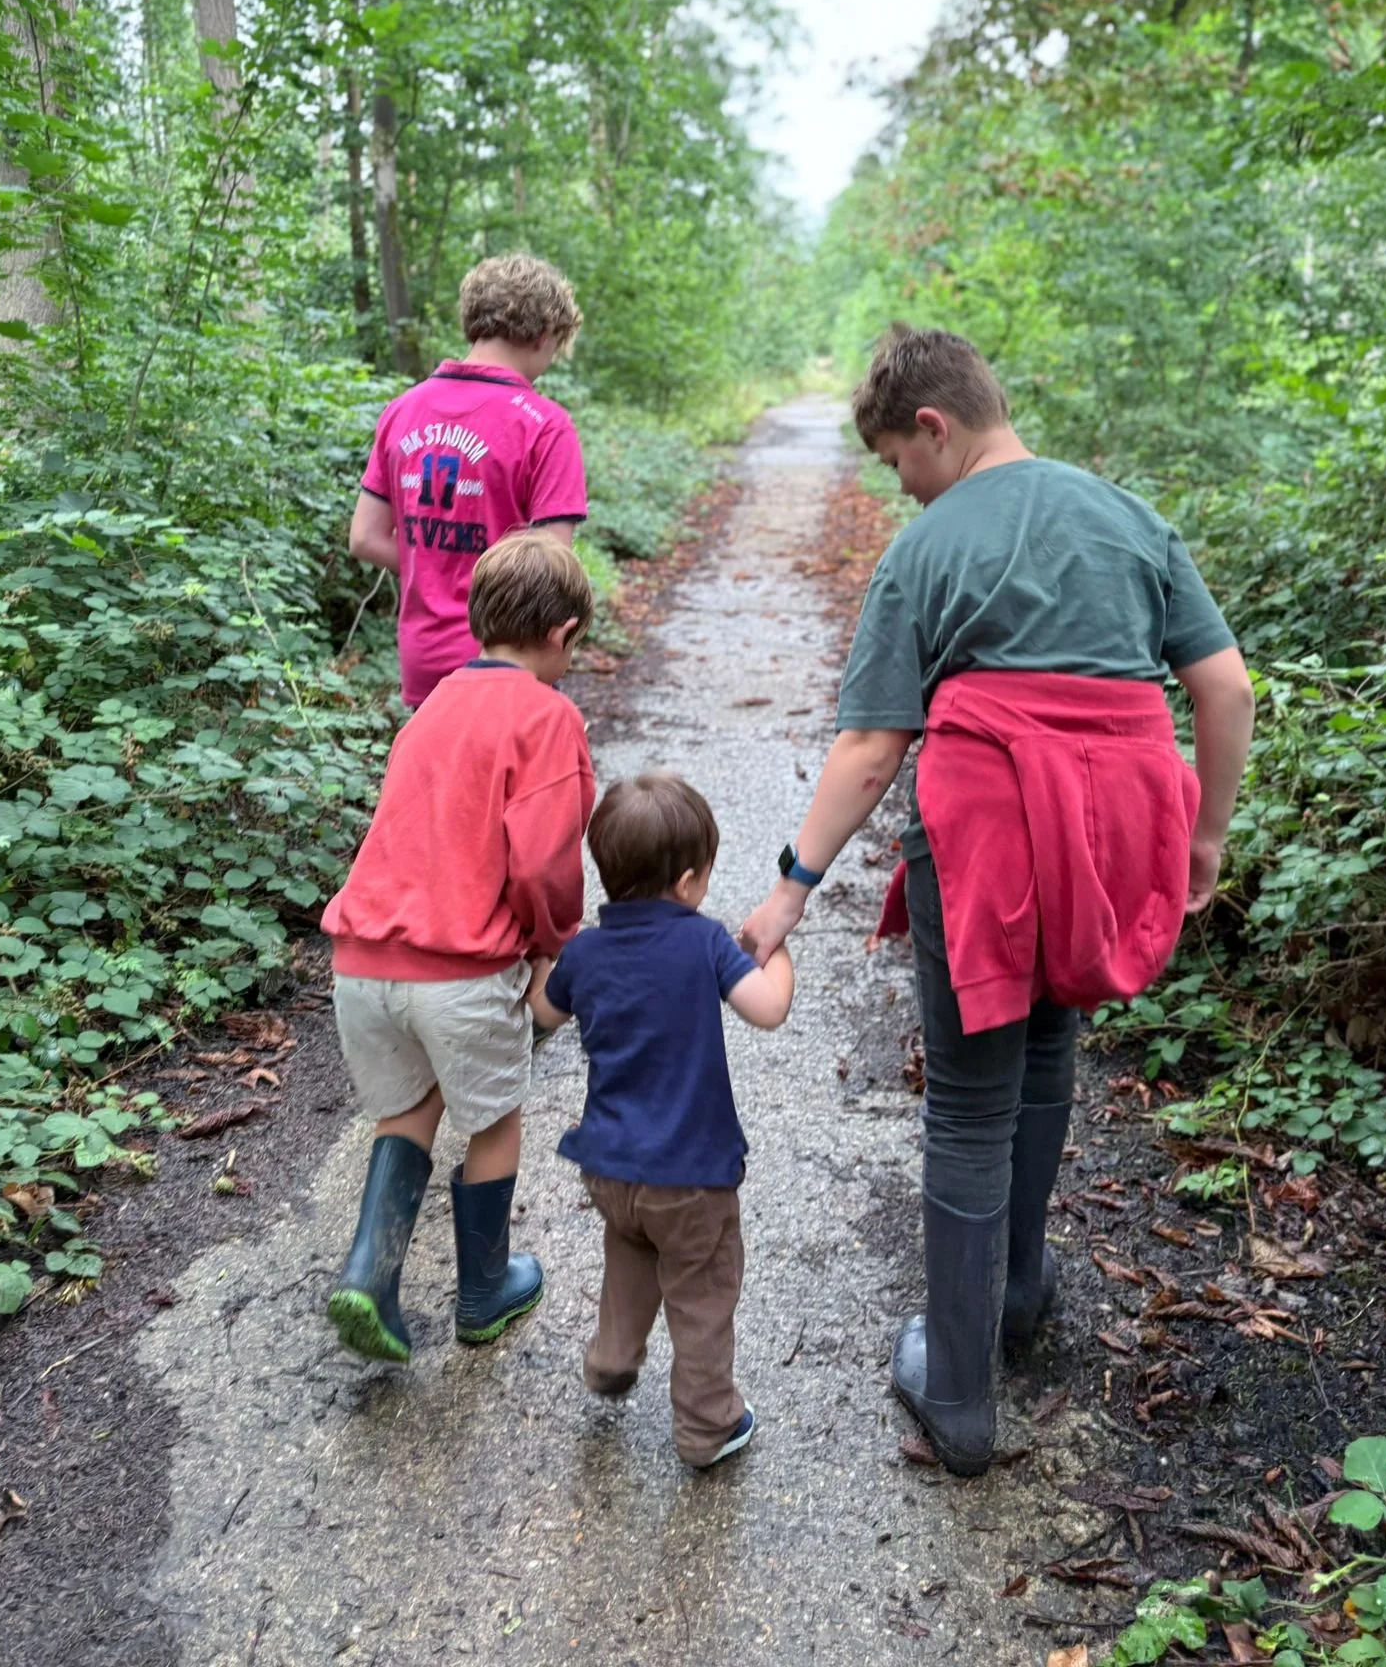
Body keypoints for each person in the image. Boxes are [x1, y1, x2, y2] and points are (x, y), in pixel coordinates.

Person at [741, 324, 1254, 1476]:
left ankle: (962, 1392)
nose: (900, 484)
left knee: (968, 1101)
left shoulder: (926, 551)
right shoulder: (1128, 517)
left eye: (894, 461)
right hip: (1113, 832)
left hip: (986, 835)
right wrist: (1204, 841)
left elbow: (875, 745)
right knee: (1050, 1043)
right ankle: (1018, 1294)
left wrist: (789, 890)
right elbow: (1222, 686)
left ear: (935, 425)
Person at [321, 530, 597, 1363]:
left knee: (407, 1110)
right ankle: (483, 1290)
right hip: (461, 972)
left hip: (363, 963)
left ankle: (370, 1274)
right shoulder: (547, 717)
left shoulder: (434, 704)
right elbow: (546, 858)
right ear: (563, 635)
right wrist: (554, 945)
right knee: (493, 1122)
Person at [529, 773, 795, 1468]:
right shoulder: (705, 942)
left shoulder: (584, 952)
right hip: (693, 1175)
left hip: (610, 1169)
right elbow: (768, 1009)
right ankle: (709, 1428)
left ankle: (611, 1358)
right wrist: (777, 952)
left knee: (631, 1255)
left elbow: (542, 1016)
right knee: (703, 1296)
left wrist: (542, 958)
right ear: (687, 882)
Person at [349, 254, 588, 709]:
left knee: (442, 778)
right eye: (555, 345)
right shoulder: (544, 425)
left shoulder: (403, 411)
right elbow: (551, 567)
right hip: (508, 660)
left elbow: (364, 537)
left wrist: (440, 565)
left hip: (423, 659)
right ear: (542, 334)